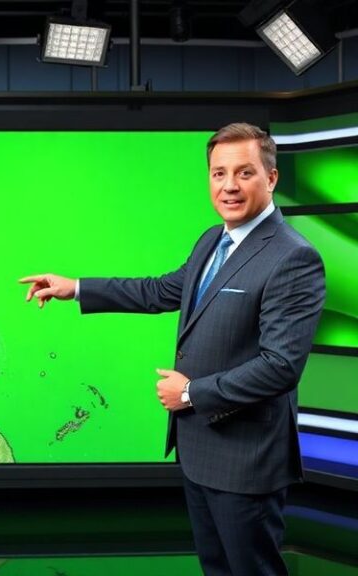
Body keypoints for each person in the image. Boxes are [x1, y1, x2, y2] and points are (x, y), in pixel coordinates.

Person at [20, 123, 325, 576]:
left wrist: (190, 394)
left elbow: (280, 366)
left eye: (244, 173)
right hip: (200, 452)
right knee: (217, 569)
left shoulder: (292, 258)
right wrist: (76, 287)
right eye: (219, 173)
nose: (229, 186)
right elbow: (160, 290)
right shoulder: (212, 240)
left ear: (271, 178)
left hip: (246, 461)